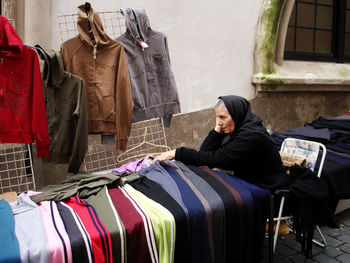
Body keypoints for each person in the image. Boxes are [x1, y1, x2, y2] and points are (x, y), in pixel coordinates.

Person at [151, 95, 290, 190]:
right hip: (247, 177)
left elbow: (217, 159)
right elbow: (205, 153)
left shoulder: (250, 135)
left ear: (236, 115)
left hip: (265, 184)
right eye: (217, 117)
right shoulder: (237, 129)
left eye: (223, 117)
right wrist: (218, 129)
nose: (219, 122)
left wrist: (177, 153)